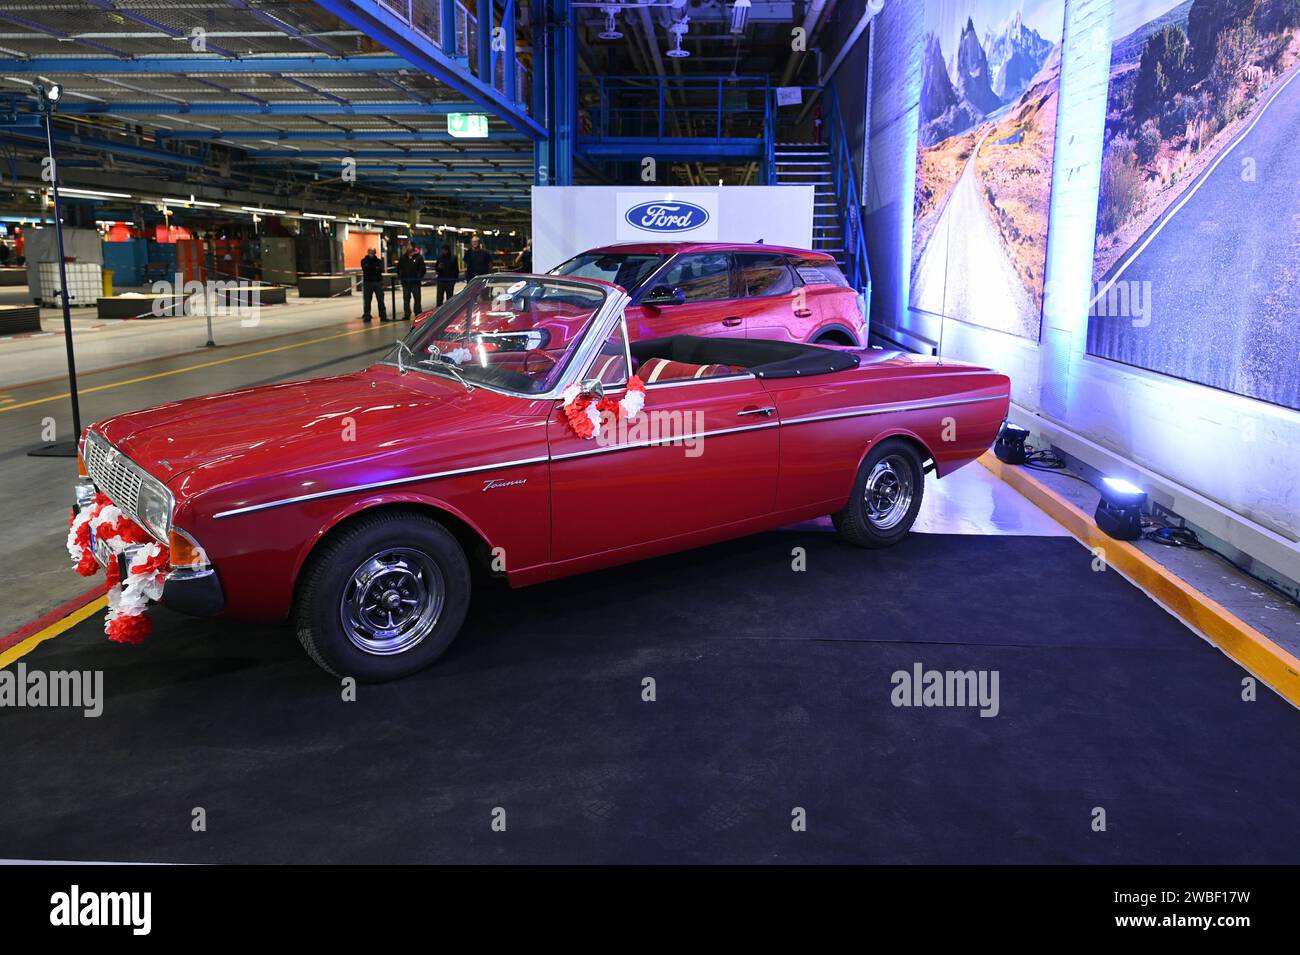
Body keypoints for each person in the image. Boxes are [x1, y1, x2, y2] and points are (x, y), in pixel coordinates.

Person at [396, 242, 427, 319]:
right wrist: (400, 276)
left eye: (409, 246)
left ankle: (418, 312)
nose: (408, 247)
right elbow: (399, 268)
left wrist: (419, 276)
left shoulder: (419, 257)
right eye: (407, 246)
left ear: (413, 247)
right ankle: (407, 314)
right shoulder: (403, 258)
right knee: (406, 299)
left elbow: (422, 269)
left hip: (415, 282)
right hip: (406, 282)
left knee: (417, 298)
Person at [360, 246, 387, 323]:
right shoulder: (364, 261)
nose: (371, 253)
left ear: (375, 253)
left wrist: (374, 269)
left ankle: (383, 315)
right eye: (369, 252)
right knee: (367, 300)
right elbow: (366, 270)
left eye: (372, 252)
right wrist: (374, 269)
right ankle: (367, 315)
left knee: (380, 300)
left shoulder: (378, 261)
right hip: (368, 282)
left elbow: (380, 270)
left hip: (378, 282)